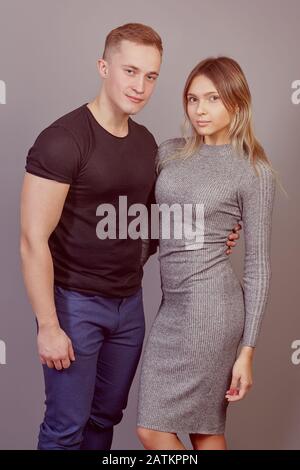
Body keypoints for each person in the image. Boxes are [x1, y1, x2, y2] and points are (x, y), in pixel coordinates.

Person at [20, 23, 240, 451]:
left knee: (105, 418)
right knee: (66, 427)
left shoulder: (146, 144)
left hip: (128, 307)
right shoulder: (63, 140)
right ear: (104, 67)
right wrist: (48, 325)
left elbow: (148, 224)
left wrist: (211, 236)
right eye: (130, 71)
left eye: (151, 76)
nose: (140, 86)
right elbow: (32, 240)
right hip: (74, 304)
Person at [136, 56, 276, 451]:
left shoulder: (253, 170)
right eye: (193, 99)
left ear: (236, 102)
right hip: (172, 307)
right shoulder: (170, 153)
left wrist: (247, 350)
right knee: (203, 432)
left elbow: (258, 265)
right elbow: (154, 230)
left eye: (213, 98)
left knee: (165, 429)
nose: (200, 110)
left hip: (212, 311)